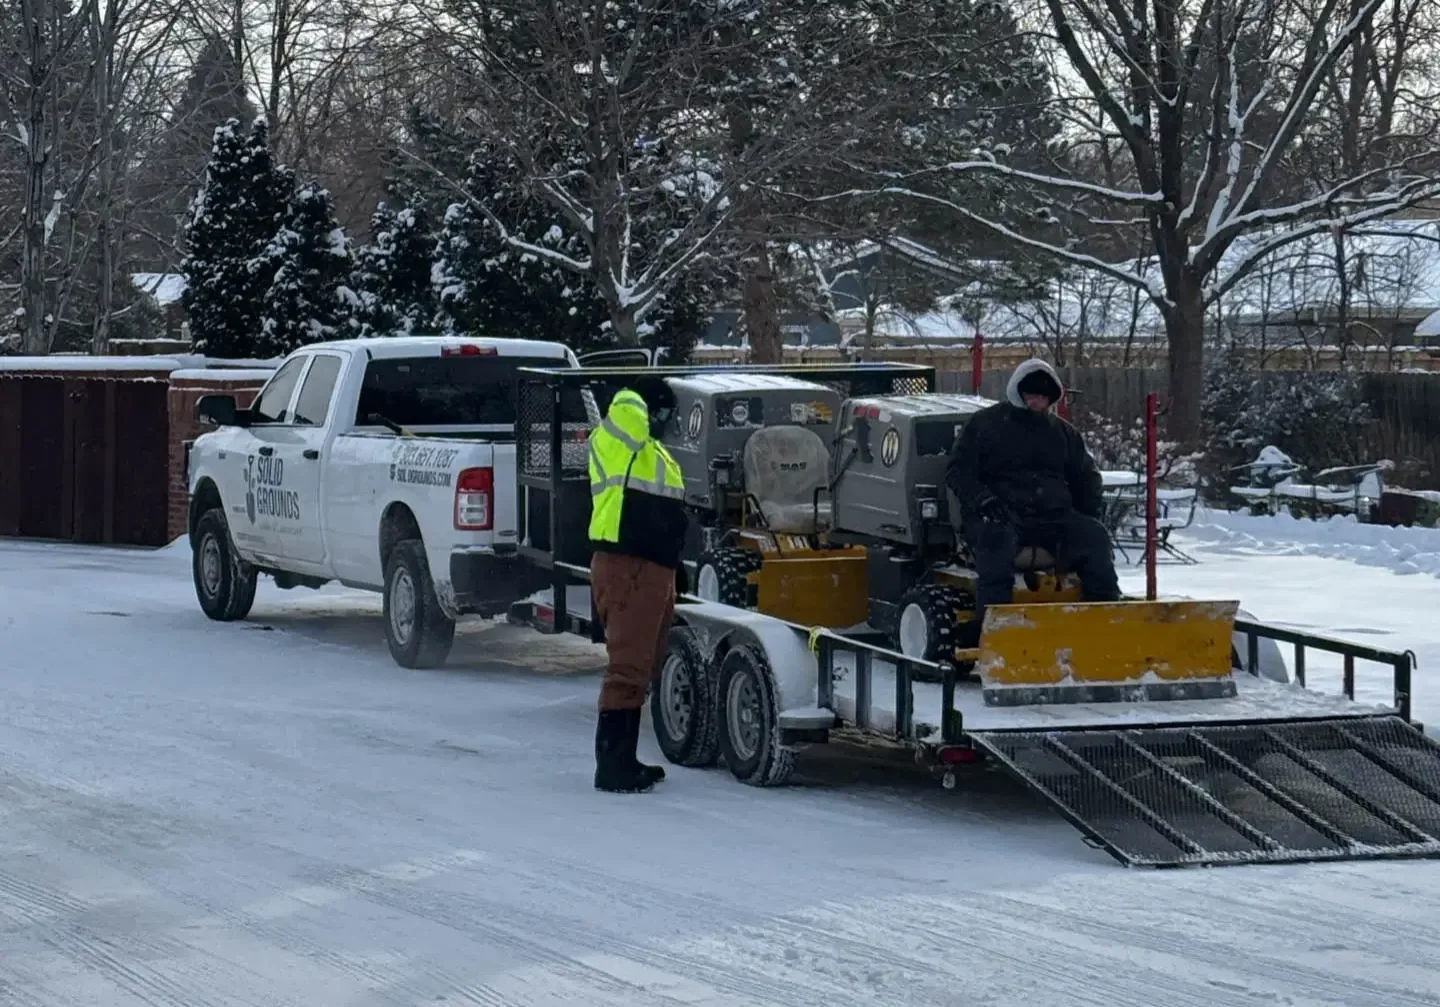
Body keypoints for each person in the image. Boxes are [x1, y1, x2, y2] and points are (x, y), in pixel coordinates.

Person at [945, 358, 1120, 632]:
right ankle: (993, 625)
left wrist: (1089, 512)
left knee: (1094, 536)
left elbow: (1086, 478)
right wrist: (983, 500)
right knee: (996, 541)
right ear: (1018, 393)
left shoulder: (1063, 434)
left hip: (1054, 517)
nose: (1037, 402)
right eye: (1032, 395)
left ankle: (1107, 620)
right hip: (1000, 515)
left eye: (1043, 397)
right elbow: (958, 471)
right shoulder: (985, 425)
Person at [587, 376, 689, 794]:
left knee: (643, 663)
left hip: (651, 566)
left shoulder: (650, 450)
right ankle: (612, 767)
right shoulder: (623, 431)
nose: (667, 420)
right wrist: (644, 397)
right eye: (662, 411)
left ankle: (624, 758)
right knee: (628, 666)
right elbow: (631, 408)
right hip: (629, 564)